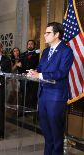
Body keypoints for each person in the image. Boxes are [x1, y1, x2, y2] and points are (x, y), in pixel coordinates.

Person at [27, 22, 73, 155]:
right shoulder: (46, 51)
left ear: (57, 34)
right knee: (46, 131)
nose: (44, 35)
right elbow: (41, 68)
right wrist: (33, 72)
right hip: (43, 95)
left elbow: (62, 73)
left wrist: (40, 74)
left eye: (48, 33)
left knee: (56, 132)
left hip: (56, 96)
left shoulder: (66, 50)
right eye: (44, 32)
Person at [20, 40, 40, 112]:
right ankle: (23, 111)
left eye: (32, 44)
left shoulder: (38, 54)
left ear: (34, 45)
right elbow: (21, 66)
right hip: (24, 78)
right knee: (24, 95)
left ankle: (34, 113)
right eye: (28, 44)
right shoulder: (23, 54)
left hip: (34, 78)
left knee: (34, 95)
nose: (30, 45)